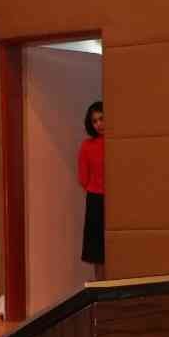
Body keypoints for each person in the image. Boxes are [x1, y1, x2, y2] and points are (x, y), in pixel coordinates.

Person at [78, 100, 105, 277]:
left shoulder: (119, 143)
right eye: (94, 121)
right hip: (96, 200)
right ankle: (100, 288)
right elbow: (83, 177)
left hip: (119, 200)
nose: (98, 124)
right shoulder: (87, 145)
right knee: (97, 251)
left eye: (102, 118)